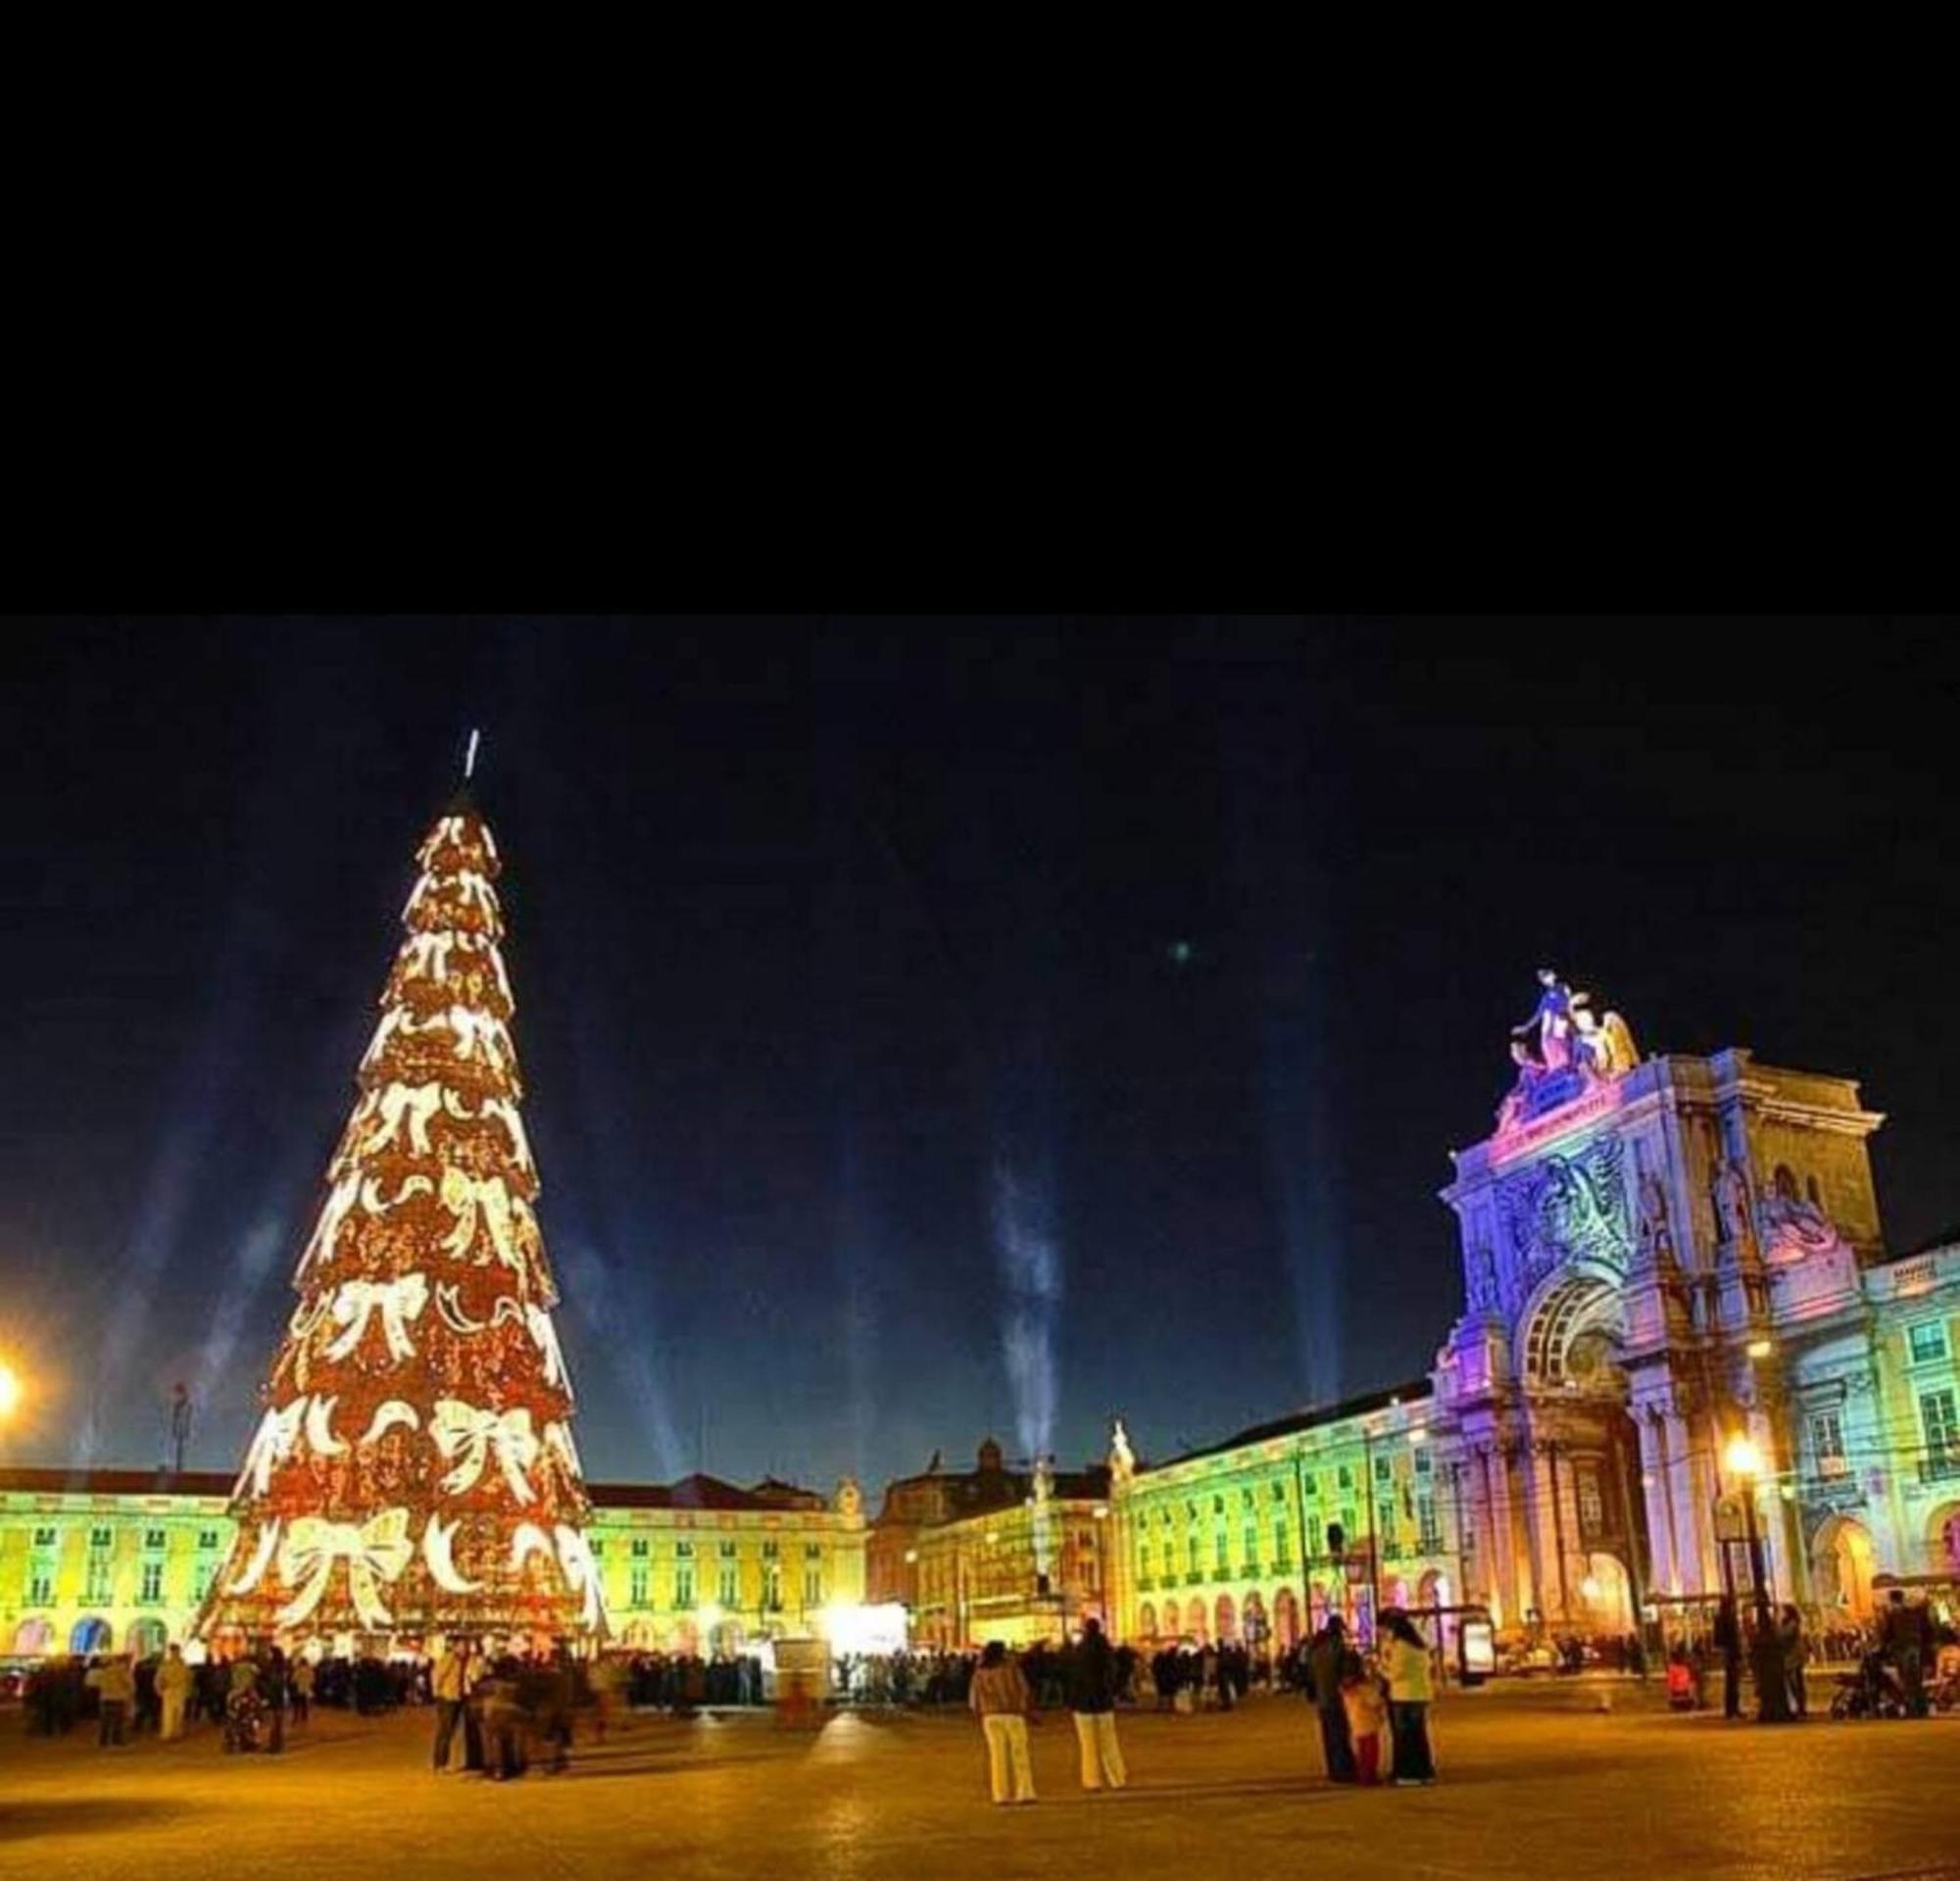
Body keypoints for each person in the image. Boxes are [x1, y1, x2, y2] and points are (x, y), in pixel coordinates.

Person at [968, 1641, 1036, 1805]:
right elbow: (1024, 1689)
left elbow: (973, 1698)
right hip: (1012, 1713)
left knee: (997, 1756)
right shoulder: (1011, 1669)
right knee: (1019, 1754)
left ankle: (1000, 1794)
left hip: (990, 1716)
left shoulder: (980, 1672)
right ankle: (1025, 1791)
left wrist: (978, 1711)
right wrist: (1026, 1708)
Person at [1064, 1618, 1127, 1792]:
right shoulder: (1105, 1650)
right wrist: (1111, 1690)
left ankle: (1092, 1781)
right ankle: (1117, 1778)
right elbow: (1114, 1673)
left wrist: (1071, 1700)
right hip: (1103, 1701)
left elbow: (1070, 1677)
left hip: (1083, 1703)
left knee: (1088, 1745)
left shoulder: (1078, 1651)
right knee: (1109, 1742)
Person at [1383, 1612, 1437, 1785]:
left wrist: (1380, 1668)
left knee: (1405, 1737)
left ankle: (1408, 1773)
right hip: (1420, 1695)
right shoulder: (1419, 1646)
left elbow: (1395, 1674)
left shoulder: (1401, 1647)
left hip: (1404, 1696)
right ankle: (1424, 1772)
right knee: (1419, 1735)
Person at [1305, 1617, 1358, 1783]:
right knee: (1340, 1734)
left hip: (1322, 1698)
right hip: (1336, 1696)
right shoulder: (1337, 1647)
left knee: (1328, 1735)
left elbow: (1311, 1675)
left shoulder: (1316, 1649)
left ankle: (1334, 1770)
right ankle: (1344, 1769)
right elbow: (1345, 1672)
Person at [1341, 1656, 1387, 1787]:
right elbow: (1374, 1701)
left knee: (1362, 1751)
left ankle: (1363, 1774)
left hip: (1355, 1721)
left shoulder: (1347, 1689)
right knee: (1371, 1751)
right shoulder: (1364, 1688)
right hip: (1368, 1721)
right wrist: (1380, 1698)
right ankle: (1369, 1776)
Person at [432, 1640, 470, 1772]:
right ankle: (440, 1763)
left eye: (466, 1646)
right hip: (447, 1697)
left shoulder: (463, 1660)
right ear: (455, 1647)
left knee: (450, 1731)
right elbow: (438, 1674)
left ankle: (443, 1762)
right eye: (462, 1646)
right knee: (445, 1731)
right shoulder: (449, 1658)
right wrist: (437, 1693)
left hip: (456, 1697)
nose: (465, 1649)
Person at [88, 1653, 134, 1747]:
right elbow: (130, 1684)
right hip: (118, 1698)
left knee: (105, 1721)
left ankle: (103, 1741)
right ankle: (117, 1740)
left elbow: (98, 1684)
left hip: (105, 1698)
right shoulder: (122, 1672)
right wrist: (129, 1694)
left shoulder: (104, 1672)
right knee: (118, 1721)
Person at [1712, 1597, 1743, 1719]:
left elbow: (1719, 1638)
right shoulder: (1729, 1618)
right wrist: (1738, 1653)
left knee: (1731, 1682)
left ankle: (1731, 1709)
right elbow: (1734, 1637)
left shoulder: (1719, 1618)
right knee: (1733, 1682)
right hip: (1731, 1652)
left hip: (1727, 1651)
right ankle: (1733, 1709)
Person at [1777, 1605, 1808, 1719]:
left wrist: (1777, 1625)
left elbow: (1783, 1635)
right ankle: (1799, 1707)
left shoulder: (1792, 1623)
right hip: (1793, 1657)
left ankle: (1800, 1707)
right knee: (1795, 1684)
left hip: (1793, 1658)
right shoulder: (1791, 1623)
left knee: (1795, 1684)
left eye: (1783, 1611)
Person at [157, 1645, 192, 1742]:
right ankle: (167, 1733)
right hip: (169, 1690)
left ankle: (177, 1732)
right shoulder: (166, 1664)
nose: (176, 1653)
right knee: (168, 1712)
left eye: (177, 1651)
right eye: (174, 1651)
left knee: (179, 1712)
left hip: (180, 1690)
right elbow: (159, 1677)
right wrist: (160, 1688)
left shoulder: (183, 1663)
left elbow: (188, 1677)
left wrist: (188, 1689)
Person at [291, 1655, 314, 1725]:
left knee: (297, 1704)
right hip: (306, 1689)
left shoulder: (298, 1670)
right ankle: (304, 1717)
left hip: (299, 1688)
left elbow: (293, 1680)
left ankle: (296, 1717)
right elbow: (312, 1680)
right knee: (305, 1703)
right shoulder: (309, 1671)